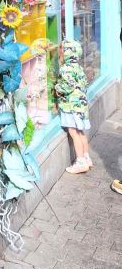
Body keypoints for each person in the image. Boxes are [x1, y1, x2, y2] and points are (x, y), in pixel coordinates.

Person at [54, 39, 92, 174]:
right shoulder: (79, 67)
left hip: (71, 106)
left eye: (61, 52)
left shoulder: (65, 69)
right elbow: (84, 84)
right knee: (81, 132)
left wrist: (57, 87)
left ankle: (80, 161)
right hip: (81, 106)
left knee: (73, 132)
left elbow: (68, 86)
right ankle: (86, 157)